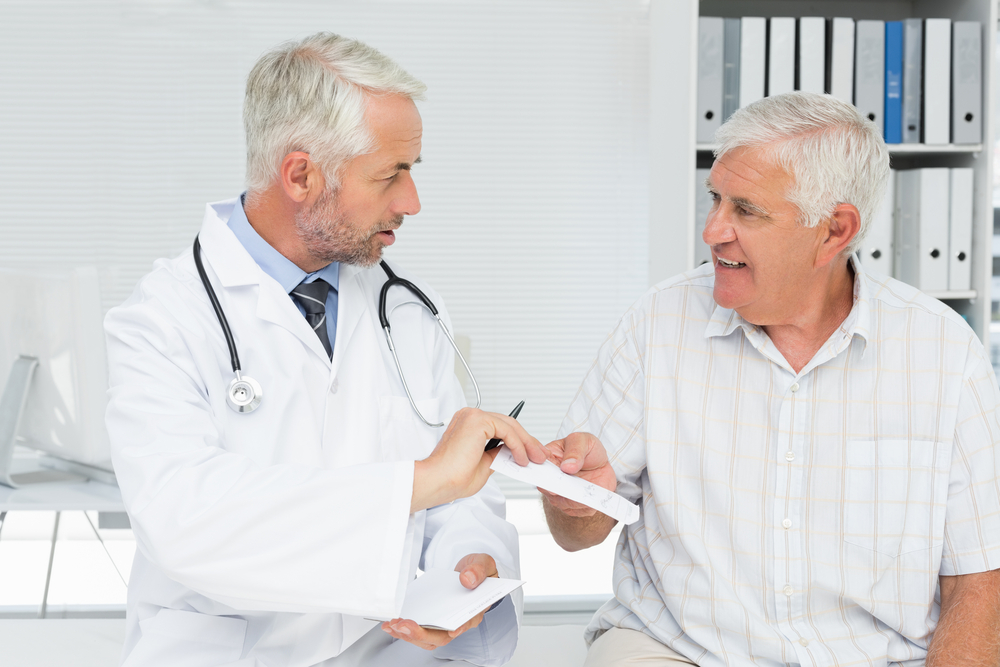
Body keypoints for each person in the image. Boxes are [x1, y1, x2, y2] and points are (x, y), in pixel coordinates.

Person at [104, 32, 546, 667]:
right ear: (302, 176)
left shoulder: (408, 310)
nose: (412, 202)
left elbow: (465, 490)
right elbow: (184, 520)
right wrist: (418, 484)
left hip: (393, 650)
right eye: (391, 174)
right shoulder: (162, 318)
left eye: (412, 171)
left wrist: (469, 565)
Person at [541, 92, 1000, 666]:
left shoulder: (943, 352)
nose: (712, 231)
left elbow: (978, 585)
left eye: (746, 210)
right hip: (680, 649)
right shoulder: (657, 323)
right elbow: (573, 533)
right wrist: (578, 501)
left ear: (834, 230)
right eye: (715, 200)